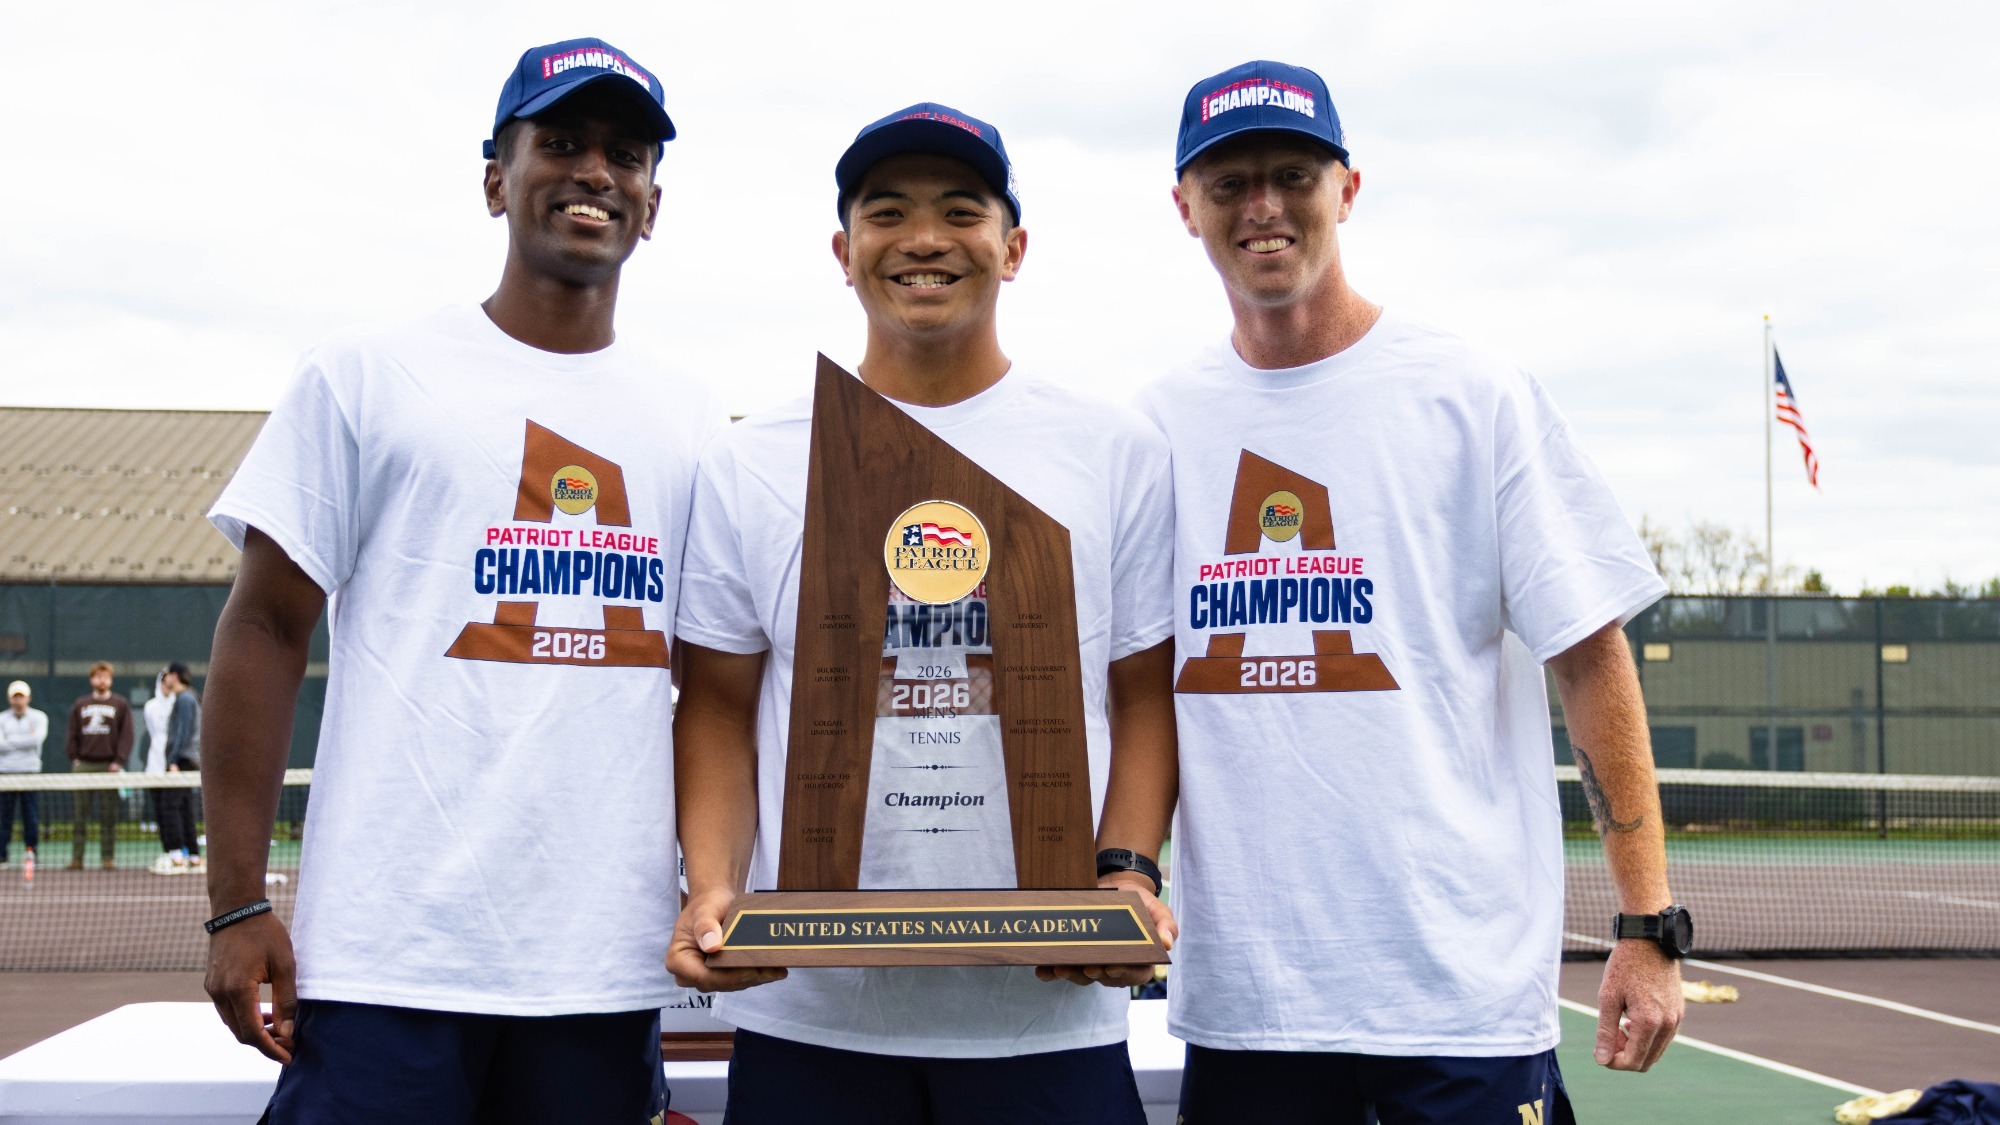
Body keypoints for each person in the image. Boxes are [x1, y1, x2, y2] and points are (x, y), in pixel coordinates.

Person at [1135, 61, 1686, 1125]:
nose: (1262, 206)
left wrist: (1647, 924)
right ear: (1183, 208)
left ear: (1346, 188)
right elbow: (1130, 688)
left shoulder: (1469, 393)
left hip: (1457, 1006)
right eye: (1229, 180)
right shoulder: (1155, 424)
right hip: (1250, 1009)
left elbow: (1587, 653)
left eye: (1292, 174)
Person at [200, 37, 714, 1124]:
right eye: (560, 143)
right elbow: (264, 628)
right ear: (495, 180)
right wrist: (235, 901)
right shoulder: (367, 374)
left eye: (624, 155)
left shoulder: (692, 421)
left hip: (598, 968)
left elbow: (719, 687)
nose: (593, 173)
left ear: (652, 204)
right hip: (387, 960)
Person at [668, 103, 1180, 1125]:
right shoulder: (750, 459)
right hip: (809, 1019)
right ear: (843, 249)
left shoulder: (1112, 448)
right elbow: (718, 703)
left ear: (1012, 246)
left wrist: (1123, 874)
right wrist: (712, 885)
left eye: (960, 209)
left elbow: (1142, 693)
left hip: (1043, 1022)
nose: (923, 239)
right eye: (886, 211)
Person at [66, 660, 133, 870]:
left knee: (108, 816)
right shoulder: (80, 704)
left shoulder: (120, 704)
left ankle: (107, 859)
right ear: (91, 679)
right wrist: (75, 759)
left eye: (105, 676)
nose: (101, 680)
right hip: (84, 766)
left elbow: (127, 735)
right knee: (79, 816)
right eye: (97, 676)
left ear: (110, 680)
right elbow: (72, 734)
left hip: (109, 767)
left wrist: (118, 761)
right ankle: (77, 859)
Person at [150, 663, 203, 876]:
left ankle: (176, 855)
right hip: (187, 760)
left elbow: (182, 732)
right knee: (184, 807)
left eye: (168, 676)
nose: (166, 680)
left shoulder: (184, 699)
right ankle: (193, 855)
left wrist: (172, 761)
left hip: (181, 761)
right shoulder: (189, 698)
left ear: (175, 676)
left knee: (169, 806)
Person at [1, 680, 48, 879]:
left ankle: (31, 853)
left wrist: (9, 741)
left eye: (22, 696)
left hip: (30, 773)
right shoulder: (2, 719)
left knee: (31, 817)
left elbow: (36, 740)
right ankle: (2, 856)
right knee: (3, 818)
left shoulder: (39, 717)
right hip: (5, 775)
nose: (18, 700)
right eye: (15, 696)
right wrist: (23, 742)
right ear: (9, 698)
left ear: (28, 698)